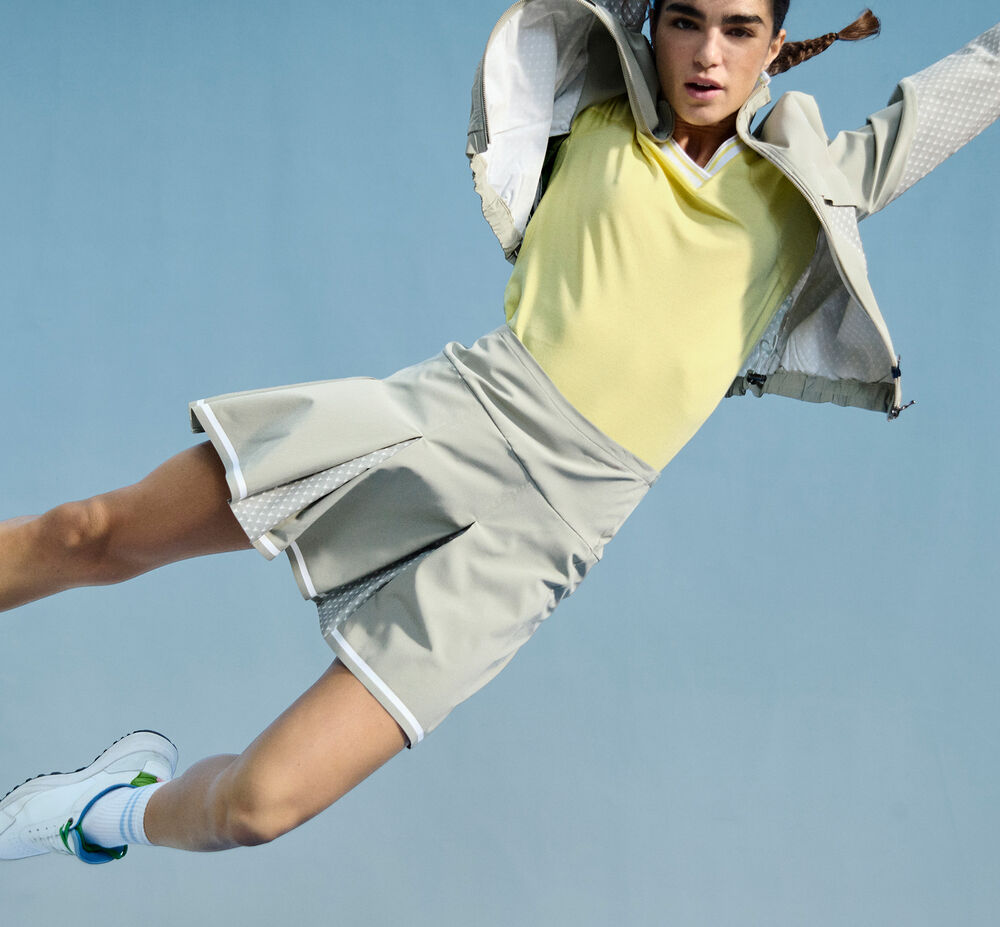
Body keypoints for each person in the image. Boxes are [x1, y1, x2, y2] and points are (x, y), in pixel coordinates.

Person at [1, 0, 998, 863]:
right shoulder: (595, 115)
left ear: (775, 48)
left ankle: (109, 814)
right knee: (95, 529)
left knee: (260, 807)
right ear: (649, 26)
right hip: (454, 418)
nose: (706, 54)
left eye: (739, 30)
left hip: (552, 530)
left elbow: (973, 78)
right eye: (684, 21)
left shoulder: (808, 187)